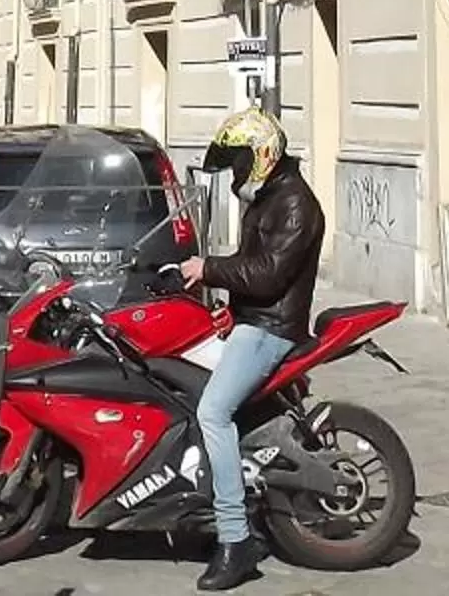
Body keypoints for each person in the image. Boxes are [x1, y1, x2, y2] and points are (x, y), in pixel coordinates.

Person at [178, 106, 324, 592]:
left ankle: (235, 539)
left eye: (239, 161)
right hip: (251, 319)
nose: (236, 171)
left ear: (262, 154)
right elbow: (252, 264)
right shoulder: (267, 198)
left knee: (213, 412)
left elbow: (267, 275)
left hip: (271, 329)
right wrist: (226, 305)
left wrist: (208, 269)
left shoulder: (296, 204)